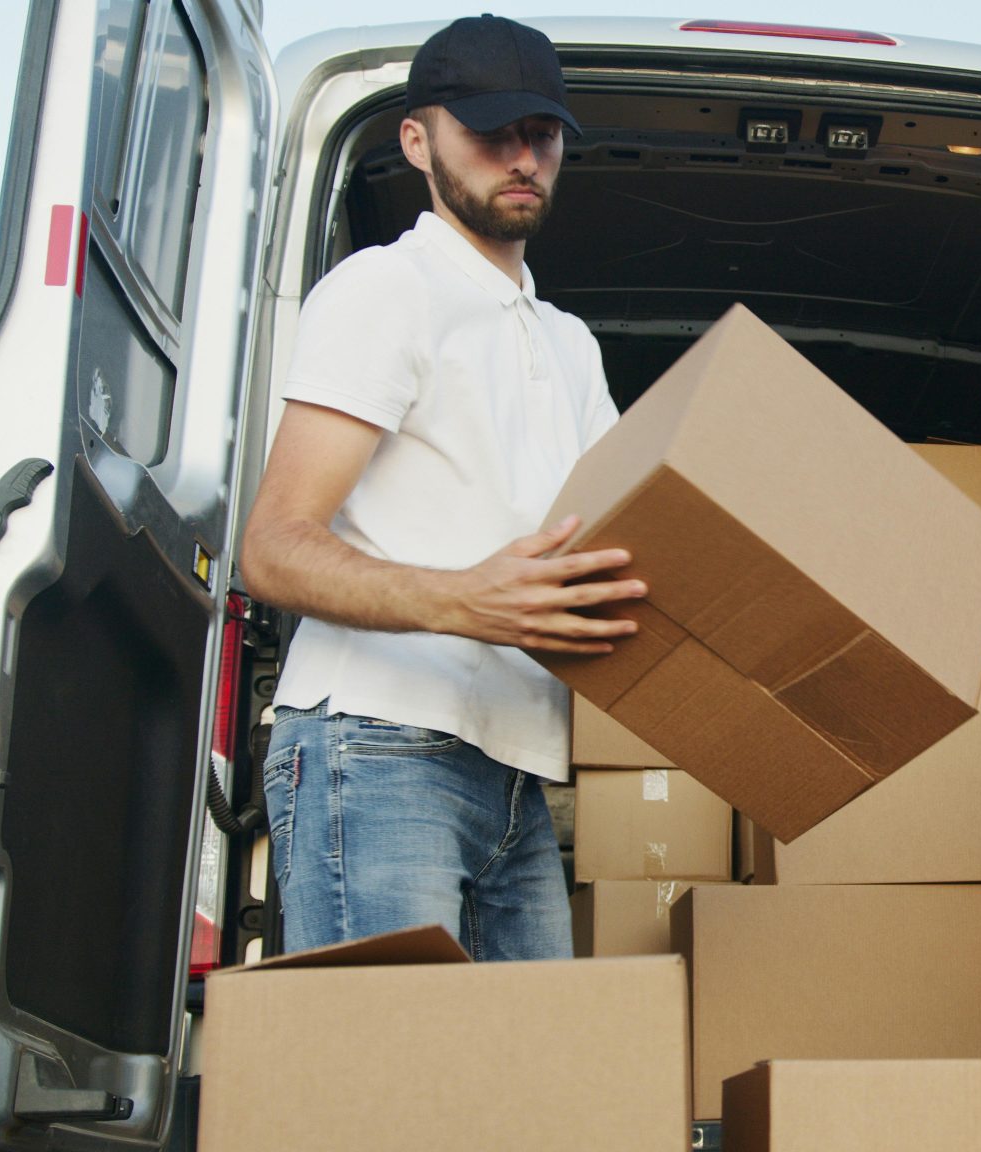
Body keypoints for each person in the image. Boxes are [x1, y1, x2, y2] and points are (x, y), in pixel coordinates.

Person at [240, 15, 638, 959]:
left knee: (516, 1094)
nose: (521, 158)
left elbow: (622, 541)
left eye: (540, 135)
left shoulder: (568, 344)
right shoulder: (388, 290)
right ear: (418, 140)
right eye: (489, 132)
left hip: (517, 774)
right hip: (376, 747)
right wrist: (467, 600)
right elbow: (271, 548)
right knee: (386, 1092)